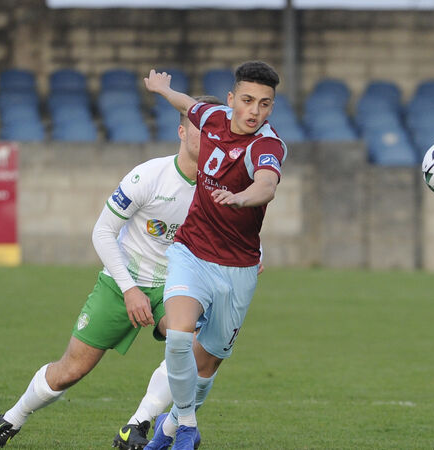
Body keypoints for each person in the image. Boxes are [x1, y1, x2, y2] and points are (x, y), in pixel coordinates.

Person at [0, 95, 223, 450]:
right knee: (71, 370)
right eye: (201, 127)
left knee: (191, 342)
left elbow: (238, 230)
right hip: (121, 282)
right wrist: (129, 289)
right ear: (182, 131)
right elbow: (102, 231)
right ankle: (11, 420)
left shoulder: (219, 187)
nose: (209, 136)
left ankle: (137, 424)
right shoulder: (148, 176)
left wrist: (256, 254)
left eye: (216, 130)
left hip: (175, 285)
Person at [141, 61, 286, 450]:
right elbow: (188, 105)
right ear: (231, 99)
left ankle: (170, 428)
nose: (255, 111)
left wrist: (242, 197)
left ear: (272, 107)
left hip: (238, 269)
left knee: (208, 363)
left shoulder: (267, 145)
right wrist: (163, 90)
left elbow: (267, 185)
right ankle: (188, 425)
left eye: (265, 104)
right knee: (178, 334)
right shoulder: (213, 117)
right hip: (191, 251)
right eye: (247, 100)